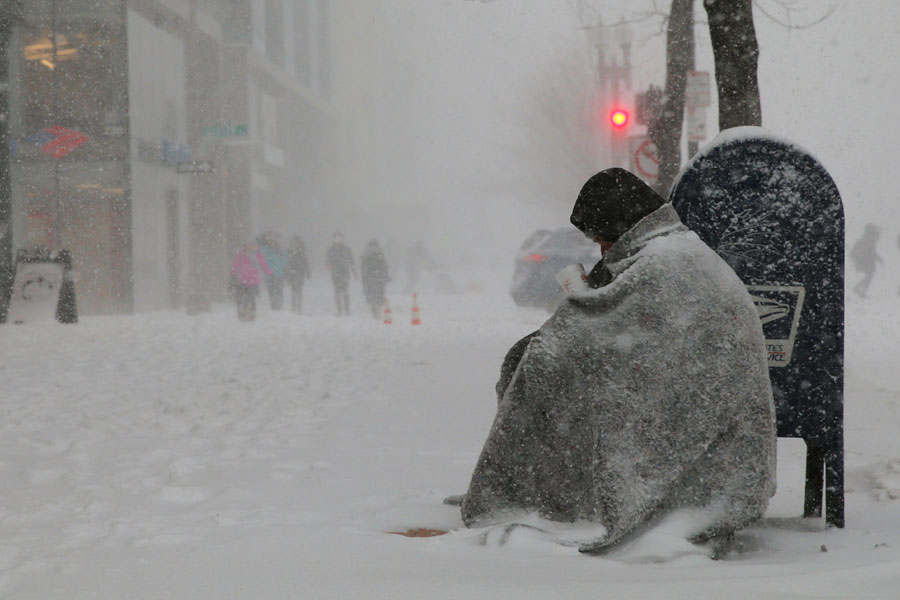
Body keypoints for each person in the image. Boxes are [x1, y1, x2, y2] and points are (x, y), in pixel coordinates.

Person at [461, 168, 777, 553]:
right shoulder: (672, 249)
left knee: (542, 366)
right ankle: (550, 493)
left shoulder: (664, 264)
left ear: (622, 227)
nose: (602, 251)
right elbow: (626, 332)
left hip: (712, 448)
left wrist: (565, 328)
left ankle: (542, 497)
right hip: (712, 420)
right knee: (534, 360)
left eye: (603, 239)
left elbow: (596, 339)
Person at [231, 241, 271, 321]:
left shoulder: (258, 255)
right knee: (243, 298)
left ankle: (251, 314)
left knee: (251, 298)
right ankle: (243, 313)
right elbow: (235, 264)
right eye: (249, 245)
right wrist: (235, 274)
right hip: (242, 280)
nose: (251, 247)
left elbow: (263, 265)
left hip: (253, 281)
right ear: (245, 245)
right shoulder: (240, 254)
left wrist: (269, 273)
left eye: (253, 245)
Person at [325, 232, 357, 316]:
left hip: (344, 272)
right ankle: (340, 309)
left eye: (339, 238)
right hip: (336, 273)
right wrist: (329, 266)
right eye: (336, 238)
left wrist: (354, 272)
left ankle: (346, 309)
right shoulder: (331, 250)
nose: (337, 240)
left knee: (345, 291)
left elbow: (351, 260)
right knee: (337, 292)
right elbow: (328, 262)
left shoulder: (345, 249)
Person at [849, 223, 882, 298]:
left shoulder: (867, 239)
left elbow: (872, 251)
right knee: (870, 275)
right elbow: (871, 251)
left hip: (866, 261)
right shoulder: (867, 240)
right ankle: (859, 290)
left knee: (869, 276)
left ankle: (859, 289)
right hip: (866, 261)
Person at [360, 239, 391, 318]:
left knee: (378, 295)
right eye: (372, 247)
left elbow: (385, 267)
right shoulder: (367, 257)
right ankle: (376, 311)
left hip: (378, 278)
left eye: (375, 247)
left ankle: (378, 307)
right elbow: (364, 268)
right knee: (373, 295)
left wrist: (386, 275)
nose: (373, 249)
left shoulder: (379, 256)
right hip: (372, 278)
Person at [257, 232, 286, 310]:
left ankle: (279, 307)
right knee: (272, 292)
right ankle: (274, 307)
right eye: (269, 240)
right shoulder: (264, 250)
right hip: (269, 275)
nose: (271, 241)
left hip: (279, 274)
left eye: (272, 240)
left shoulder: (280, 250)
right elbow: (261, 261)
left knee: (279, 291)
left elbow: (284, 260)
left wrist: (282, 267)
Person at [285, 235, 311, 314]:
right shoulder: (291, 252)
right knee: (295, 290)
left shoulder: (300, 252)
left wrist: (307, 272)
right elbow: (287, 262)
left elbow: (305, 263)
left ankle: (297, 307)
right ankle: (295, 307)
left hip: (299, 272)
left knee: (298, 290)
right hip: (294, 272)